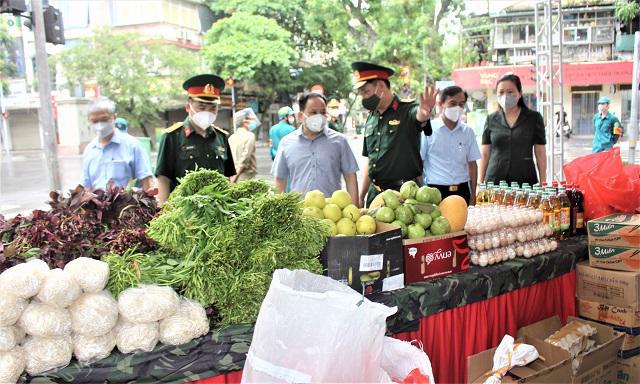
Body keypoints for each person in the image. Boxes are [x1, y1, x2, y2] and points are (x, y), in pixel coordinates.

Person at [352, 61, 437, 207]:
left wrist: (425, 113)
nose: (364, 98)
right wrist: (361, 195)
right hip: (375, 196)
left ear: (380, 86)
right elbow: (370, 159)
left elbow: (418, 116)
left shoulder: (407, 110)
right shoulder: (371, 118)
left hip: (404, 197)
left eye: (366, 92)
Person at [155, 74, 236, 204]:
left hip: (217, 212)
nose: (208, 112)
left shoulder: (221, 137)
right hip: (183, 214)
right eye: (202, 107)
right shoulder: (172, 137)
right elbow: (163, 178)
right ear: (188, 107)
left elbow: (228, 177)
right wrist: (163, 212)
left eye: (213, 108)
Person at [271, 92, 359, 203]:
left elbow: (350, 177)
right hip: (299, 213)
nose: (319, 116)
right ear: (300, 115)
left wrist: (355, 209)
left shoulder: (339, 141)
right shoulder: (287, 143)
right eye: (313, 112)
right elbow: (280, 179)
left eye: (322, 112)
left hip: (332, 214)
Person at [479, 73, 547, 186]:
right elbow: (485, 154)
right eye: (501, 92)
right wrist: (479, 183)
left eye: (510, 92)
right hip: (495, 181)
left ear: (519, 93)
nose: (505, 96)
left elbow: (540, 153)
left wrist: (543, 182)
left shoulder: (534, 118)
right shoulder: (491, 119)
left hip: (525, 181)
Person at [420, 86, 481, 204]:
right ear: (441, 103)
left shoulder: (468, 132)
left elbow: (472, 165)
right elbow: (419, 163)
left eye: (461, 104)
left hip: (462, 191)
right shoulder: (428, 130)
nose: (457, 108)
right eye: (453, 103)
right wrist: (421, 191)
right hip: (435, 192)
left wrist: (473, 194)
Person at [81, 97, 153, 191]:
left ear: (114, 117)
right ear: (89, 121)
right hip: (97, 205)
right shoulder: (89, 150)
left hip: (128, 205)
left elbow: (147, 182)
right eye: (95, 121)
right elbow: (86, 187)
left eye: (104, 119)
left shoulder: (133, 146)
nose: (99, 125)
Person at [229, 108, 258, 182]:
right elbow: (245, 159)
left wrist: (232, 178)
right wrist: (236, 176)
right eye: (250, 119)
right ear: (244, 122)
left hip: (233, 176)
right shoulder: (250, 136)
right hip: (246, 177)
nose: (253, 122)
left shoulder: (231, 138)